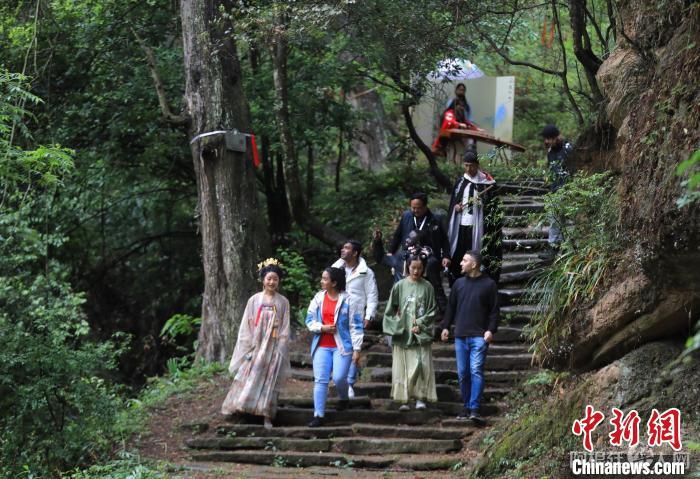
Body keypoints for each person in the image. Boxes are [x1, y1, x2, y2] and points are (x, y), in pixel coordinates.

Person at [222, 258, 291, 430]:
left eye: (275, 279)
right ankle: (241, 407)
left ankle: (267, 415)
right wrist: (249, 345)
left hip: (274, 347)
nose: (272, 282)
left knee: (270, 380)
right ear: (263, 280)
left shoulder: (283, 302)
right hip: (256, 346)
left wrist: (281, 345)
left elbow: (285, 326)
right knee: (248, 375)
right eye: (269, 278)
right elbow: (246, 324)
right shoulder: (254, 300)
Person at [440, 251, 499, 426]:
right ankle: (466, 406)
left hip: (479, 336)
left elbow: (494, 311)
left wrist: (491, 330)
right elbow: (451, 307)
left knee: (476, 370)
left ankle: (474, 408)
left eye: (464, 260)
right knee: (463, 373)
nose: (460, 263)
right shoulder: (458, 284)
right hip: (460, 335)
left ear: (474, 265)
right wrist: (445, 326)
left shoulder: (489, 284)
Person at [305, 267, 363, 427]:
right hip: (321, 345)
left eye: (325, 279)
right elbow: (309, 319)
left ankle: (344, 398)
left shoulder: (349, 300)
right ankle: (318, 415)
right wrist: (321, 327)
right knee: (320, 380)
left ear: (334, 283)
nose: (322, 281)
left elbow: (356, 326)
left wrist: (357, 349)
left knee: (338, 378)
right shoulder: (318, 298)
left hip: (342, 346)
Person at [383, 254, 438, 411]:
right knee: (403, 367)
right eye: (413, 267)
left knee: (421, 365)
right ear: (407, 266)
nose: (416, 271)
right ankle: (404, 399)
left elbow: (432, 311)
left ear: (423, 268)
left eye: (419, 268)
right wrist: (399, 325)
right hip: (403, 333)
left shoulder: (428, 287)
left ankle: (421, 397)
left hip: (421, 334)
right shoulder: (399, 286)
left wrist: (420, 324)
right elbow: (389, 311)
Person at [388, 192, 450, 312]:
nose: (415, 210)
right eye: (413, 207)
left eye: (418, 208)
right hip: (409, 257)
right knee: (401, 283)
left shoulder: (436, 219)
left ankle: (444, 312)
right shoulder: (407, 216)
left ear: (425, 206)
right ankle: (398, 311)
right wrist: (391, 252)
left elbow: (444, 240)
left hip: (430, 258)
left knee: (435, 285)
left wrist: (446, 256)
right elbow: (398, 235)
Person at [332, 240, 378, 399]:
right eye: (343, 247)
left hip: (356, 314)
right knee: (338, 346)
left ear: (355, 253)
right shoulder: (336, 269)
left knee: (354, 347)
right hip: (337, 313)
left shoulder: (367, 272)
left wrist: (369, 315)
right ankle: (341, 379)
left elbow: (372, 295)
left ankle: (350, 383)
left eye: (347, 248)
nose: (343, 250)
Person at [446, 151, 496, 283]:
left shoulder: (486, 182)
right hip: (461, 224)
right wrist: (456, 207)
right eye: (466, 165)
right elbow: (454, 202)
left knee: (473, 254)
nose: (468, 169)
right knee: (459, 253)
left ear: (477, 165)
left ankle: (475, 279)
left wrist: (482, 203)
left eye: (471, 166)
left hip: (478, 225)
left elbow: (492, 205)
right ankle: (456, 280)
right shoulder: (461, 181)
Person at [540, 124, 574, 258]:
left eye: (549, 138)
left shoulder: (568, 148)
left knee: (569, 220)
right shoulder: (550, 152)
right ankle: (553, 248)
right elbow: (552, 171)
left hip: (569, 190)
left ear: (556, 137)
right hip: (555, 191)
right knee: (553, 219)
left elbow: (577, 168)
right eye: (545, 139)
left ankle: (569, 249)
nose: (546, 141)